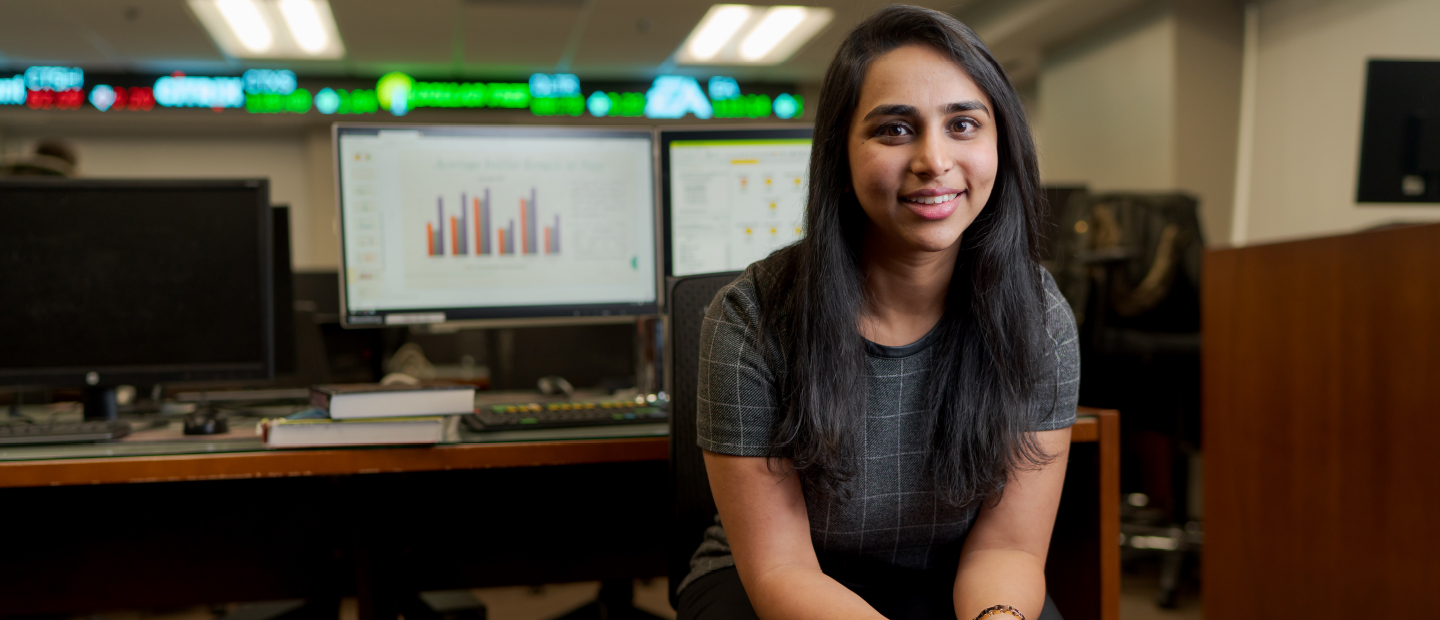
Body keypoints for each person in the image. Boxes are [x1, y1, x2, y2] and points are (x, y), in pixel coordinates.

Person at [675, 6, 1079, 620]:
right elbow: (780, 567)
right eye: (894, 129)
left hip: (952, 574)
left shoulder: (1037, 314)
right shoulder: (751, 316)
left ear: (1002, 144)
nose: (933, 160)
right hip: (776, 581)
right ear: (841, 154)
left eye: (963, 124)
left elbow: (1009, 548)